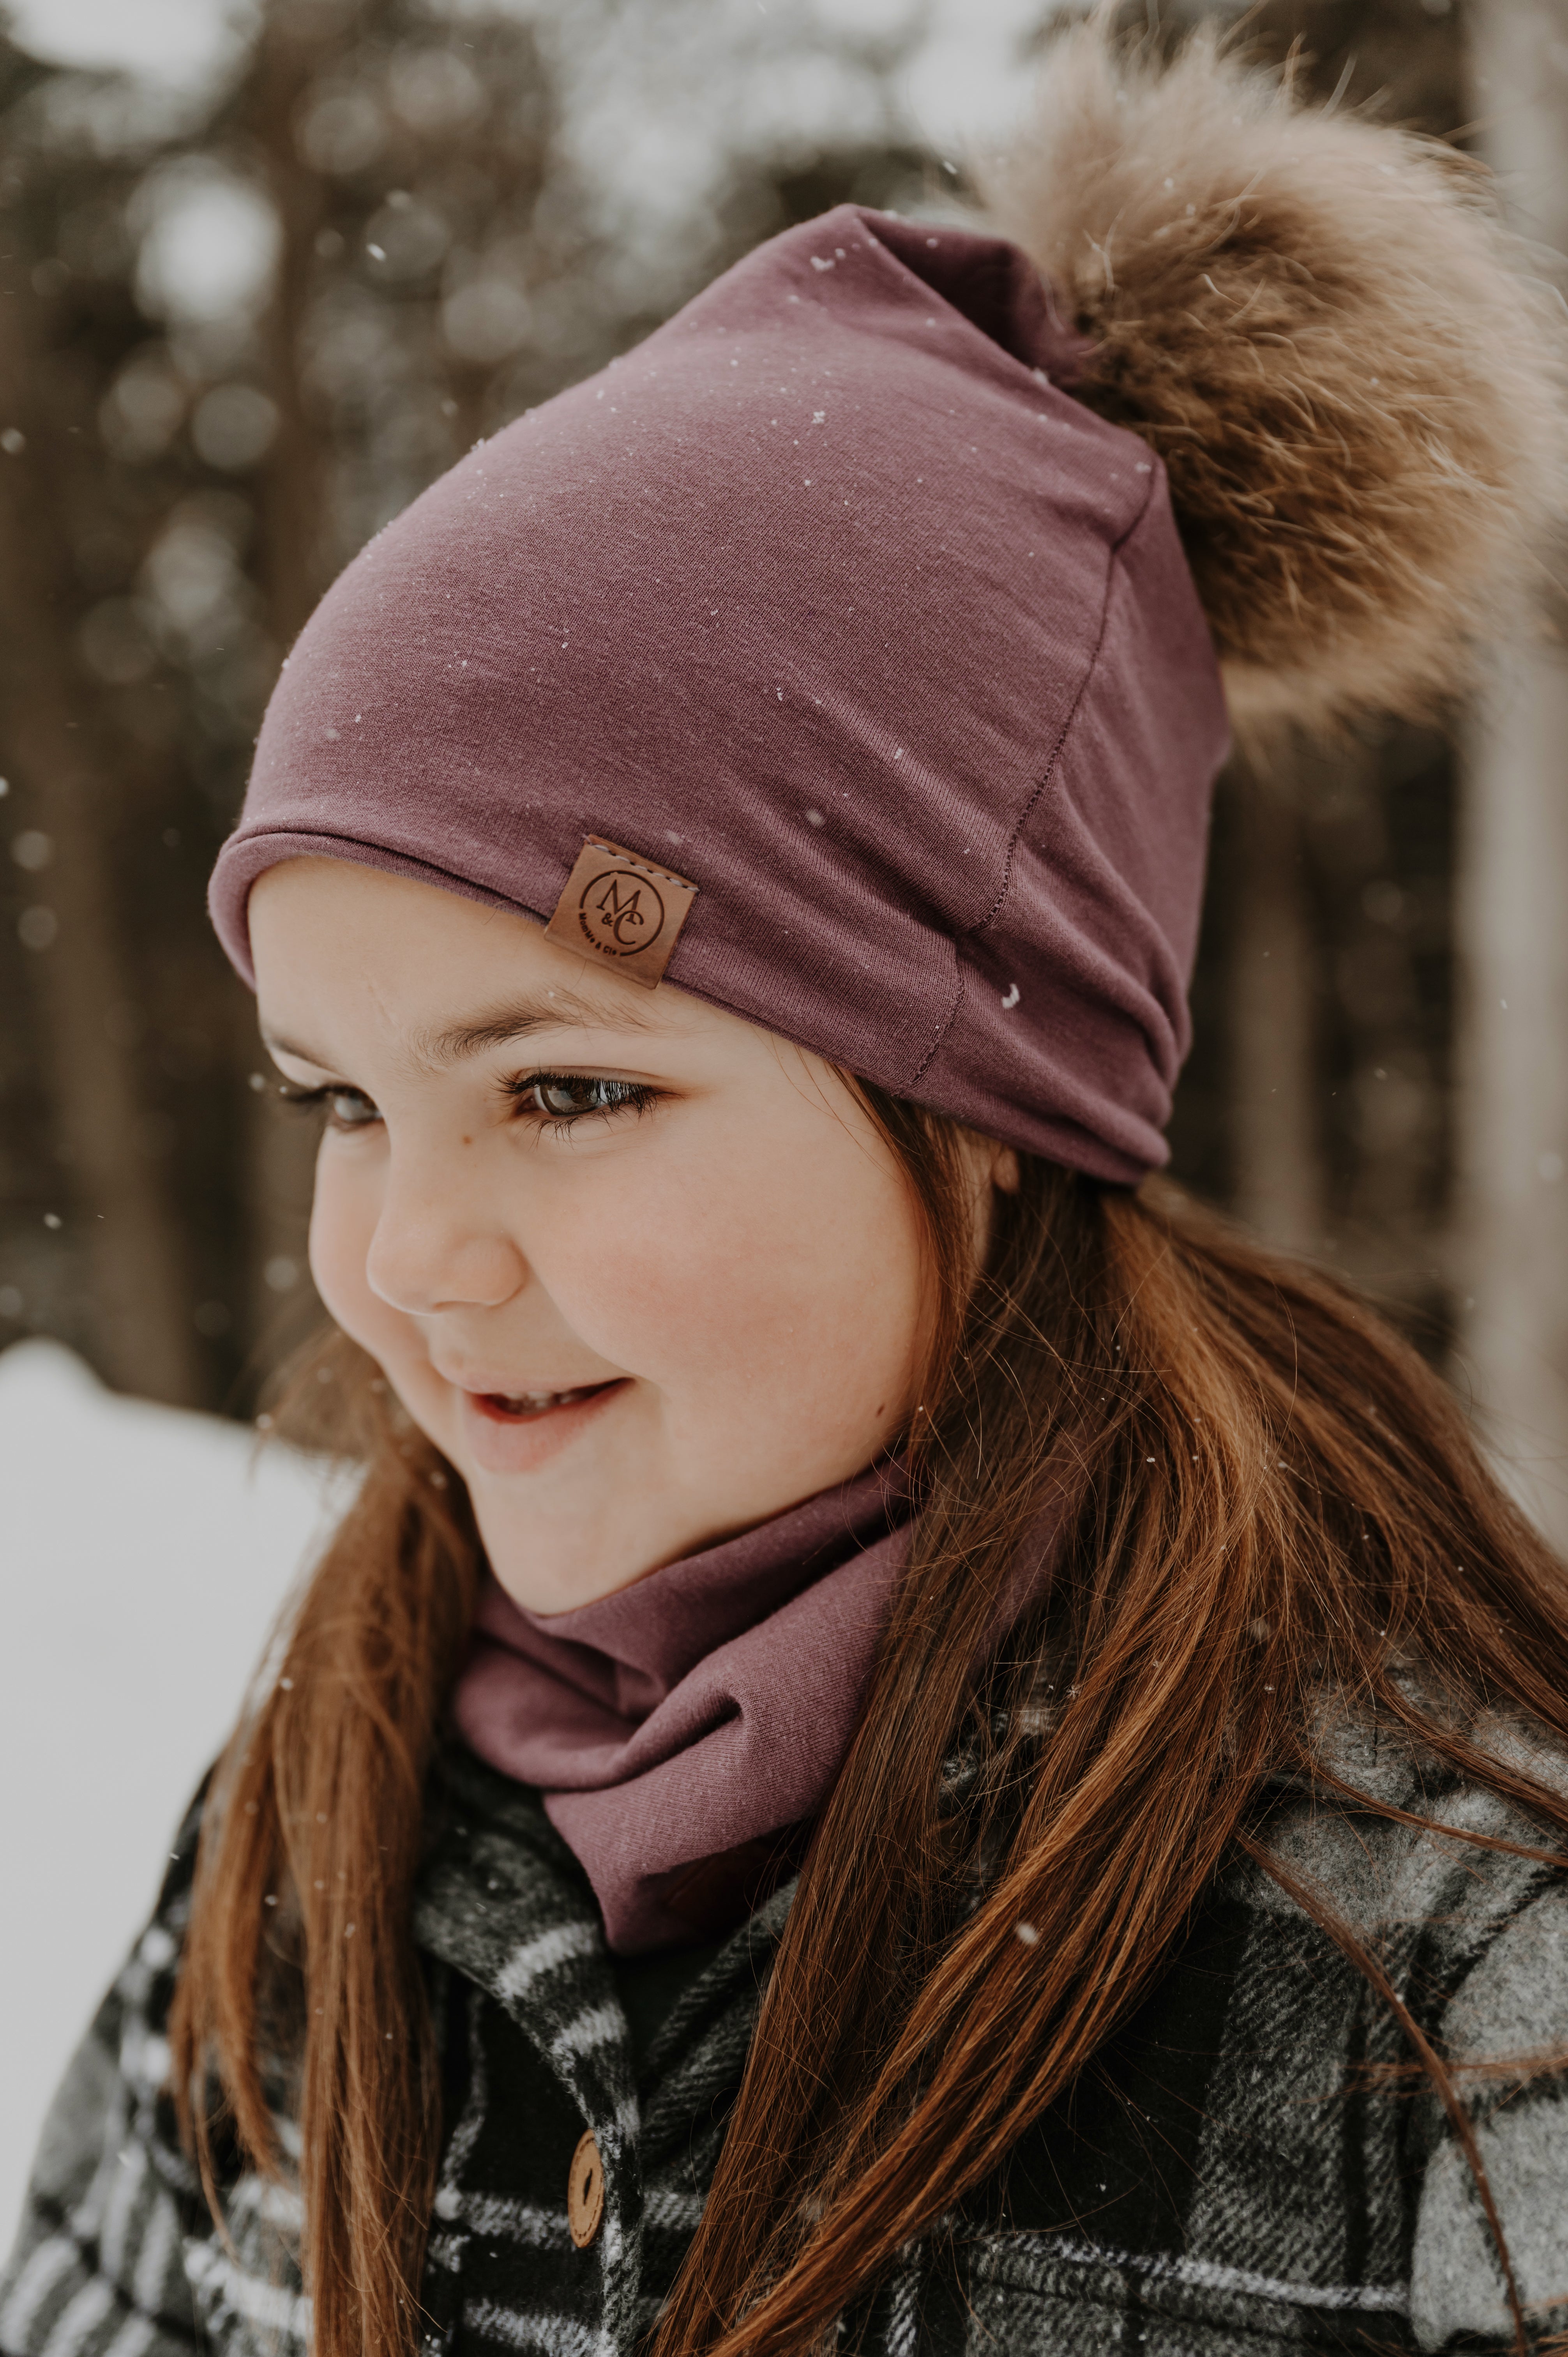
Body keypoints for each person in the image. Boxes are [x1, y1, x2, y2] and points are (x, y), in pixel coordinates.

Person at [6, 17, 1568, 2357]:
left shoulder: (1447, 1970)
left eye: (561, 1094)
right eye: (338, 1099)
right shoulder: (330, 1800)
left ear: (988, 1108)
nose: (403, 1265)